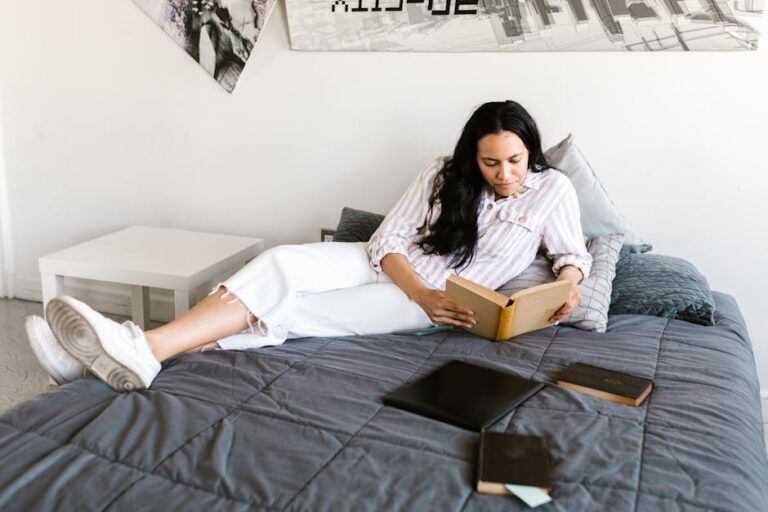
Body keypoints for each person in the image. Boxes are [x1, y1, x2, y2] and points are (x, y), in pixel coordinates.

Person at [25, 101, 592, 392]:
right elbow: (387, 238)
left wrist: (569, 288)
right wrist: (415, 287)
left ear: (530, 152)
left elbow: (572, 256)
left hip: (436, 304)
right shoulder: (443, 171)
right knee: (277, 264)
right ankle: (134, 352)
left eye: (514, 161)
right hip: (396, 275)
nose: (504, 173)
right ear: (473, 154)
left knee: (291, 311)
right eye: (491, 162)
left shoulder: (553, 190)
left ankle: (112, 357)